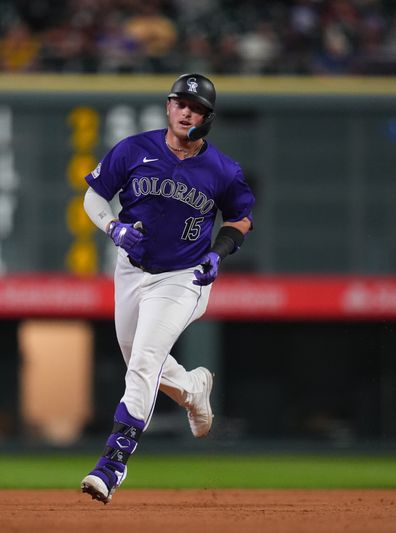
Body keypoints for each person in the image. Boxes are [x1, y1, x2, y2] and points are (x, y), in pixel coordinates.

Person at [80, 73, 255, 504]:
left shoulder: (222, 170)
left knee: (143, 361)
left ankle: (112, 464)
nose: (185, 112)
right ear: (168, 106)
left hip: (183, 276)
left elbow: (241, 217)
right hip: (132, 269)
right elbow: (93, 197)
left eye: (195, 108)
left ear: (206, 119)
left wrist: (220, 251)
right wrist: (113, 227)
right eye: (180, 103)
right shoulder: (134, 149)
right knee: (138, 358)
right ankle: (194, 389)